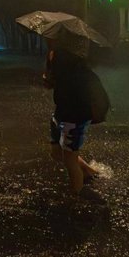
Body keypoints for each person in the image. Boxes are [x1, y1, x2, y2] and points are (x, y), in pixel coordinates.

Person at [43, 42, 99, 195]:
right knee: (56, 153)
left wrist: (50, 77)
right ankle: (88, 171)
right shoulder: (59, 60)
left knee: (69, 159)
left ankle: (76, 196)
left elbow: (72, 89)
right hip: (61, 113)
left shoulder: (71, 64)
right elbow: (55, 84)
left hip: (74, 116)